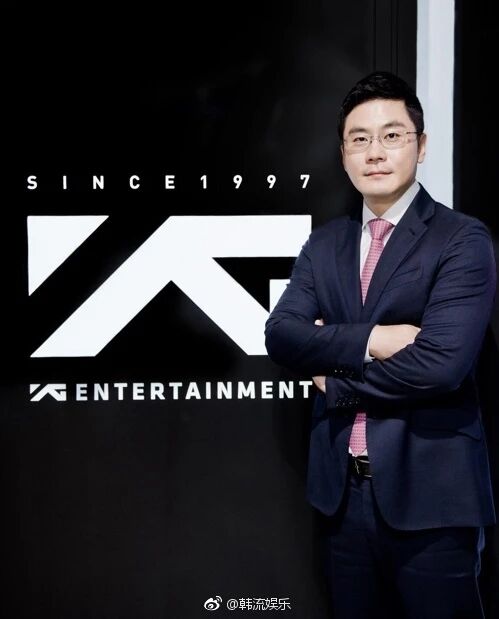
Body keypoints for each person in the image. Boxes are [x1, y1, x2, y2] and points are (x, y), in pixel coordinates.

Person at [265, 71, 496, 618]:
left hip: (432, 500)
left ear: (421, 145)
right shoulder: (324, 244)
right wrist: (377, 338)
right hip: (341, 501)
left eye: (392, 135)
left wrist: (334, 378)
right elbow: (283, 335)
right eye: (360, 139)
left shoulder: (461, 239)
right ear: (343, 154)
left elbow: (440, 367)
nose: (375, 152)